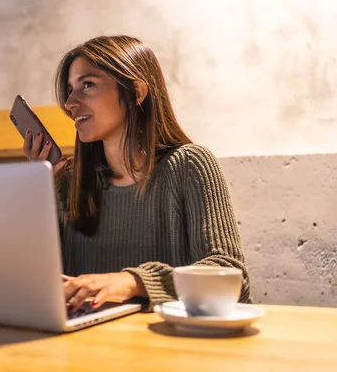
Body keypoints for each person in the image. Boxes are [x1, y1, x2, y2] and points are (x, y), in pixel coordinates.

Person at [23, 35, 250, 312]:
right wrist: (39, 198)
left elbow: (231, 276)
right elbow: (43, 281)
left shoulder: (190, 164)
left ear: (136, 93)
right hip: (87, 343)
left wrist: (133, 282)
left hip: (170, 342)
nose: (70, 102)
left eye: (88, 85)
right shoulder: (69, 182)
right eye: (70, 89)